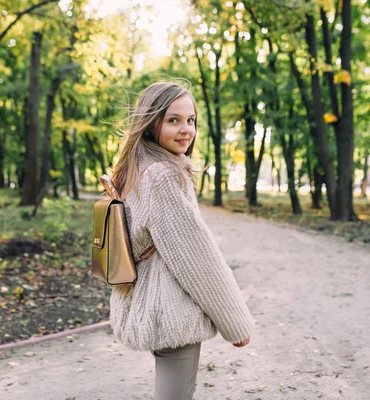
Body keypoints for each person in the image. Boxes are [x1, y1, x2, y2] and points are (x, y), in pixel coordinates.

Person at [108, 81, 255, 400]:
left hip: (153, 304)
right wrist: (236, 324)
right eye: (173, 120)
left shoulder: (141, 168)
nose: (186, 129)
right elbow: (198, 260)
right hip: (169, 310)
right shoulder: (162, 175)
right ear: (151, 124)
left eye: (191, 120)